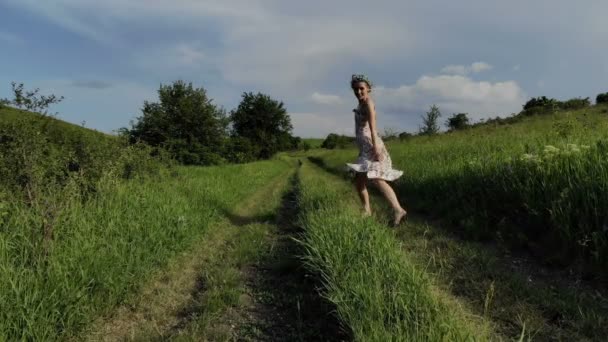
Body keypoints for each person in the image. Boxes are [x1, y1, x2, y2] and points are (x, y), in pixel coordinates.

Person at [346, 74, 407, 226]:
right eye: (356, 89)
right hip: (364, 148)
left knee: (376, 178)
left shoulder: (368, 103)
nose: (359, 92)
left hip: (372, 147)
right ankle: (367, 211)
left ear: (368, 89)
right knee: (359, 181)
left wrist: (377, 149)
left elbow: (373, 129)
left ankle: (398, 209)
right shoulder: (360, 104)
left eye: (361, 89)